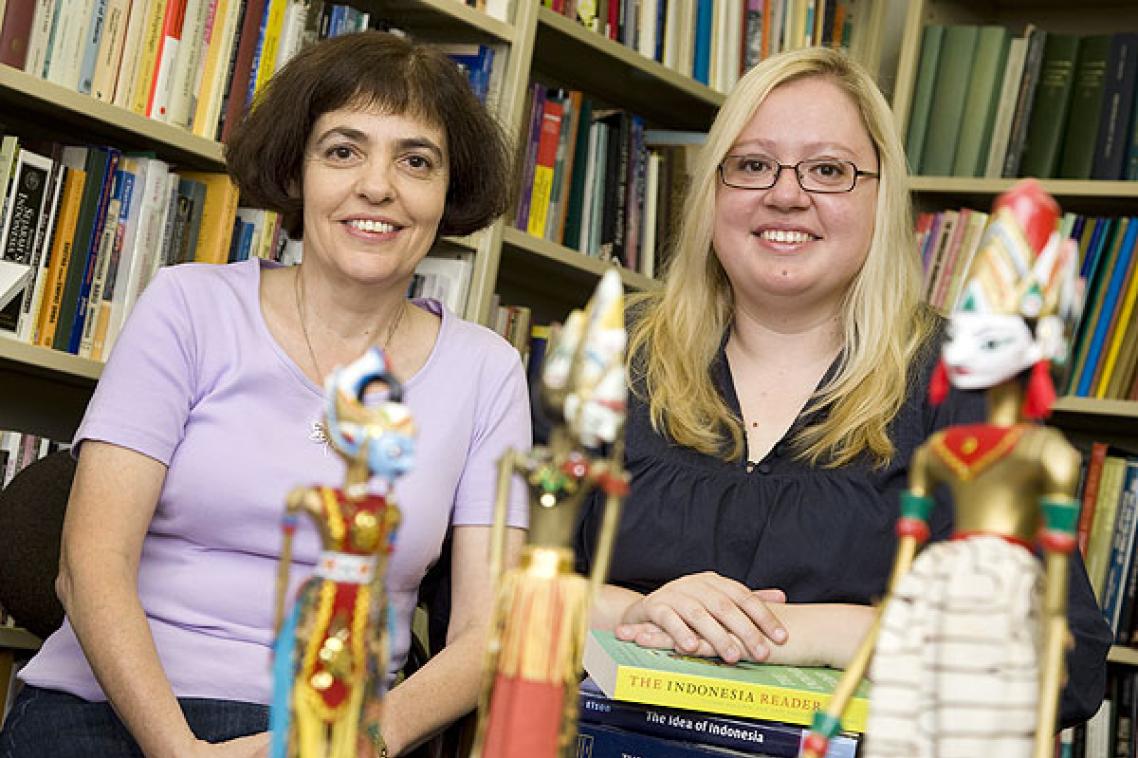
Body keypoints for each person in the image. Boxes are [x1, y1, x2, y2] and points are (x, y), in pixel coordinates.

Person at [0, 31, 529, 758]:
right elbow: (88, 564)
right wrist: (179, 750)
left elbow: (485, 631)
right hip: (117, 713)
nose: (378, 186)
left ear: (450, 190)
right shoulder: (188, 306)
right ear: (296, 169)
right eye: (342, 151)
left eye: (416, 161)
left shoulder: (487, 370)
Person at [575, 46, 1110, 728]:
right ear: (712, 190)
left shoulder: (966, 385)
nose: (786, 194)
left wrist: (815, 632)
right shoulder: (611, 352)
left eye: (828, 169)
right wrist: (638, 611)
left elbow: (1065, 659)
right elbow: (488, 597)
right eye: (752, 165)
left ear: (881, 198)